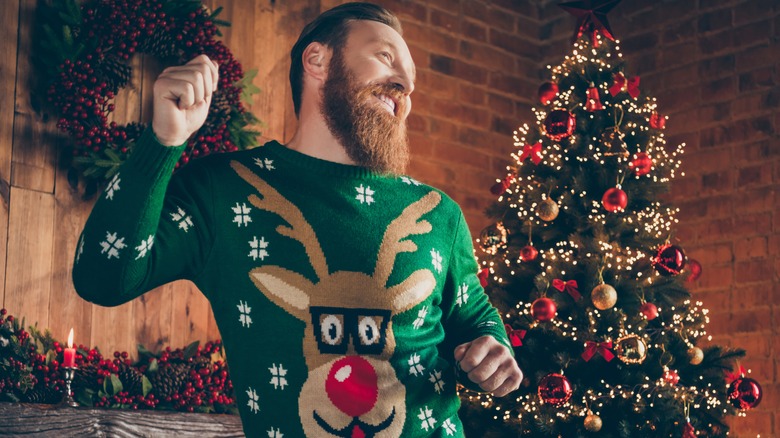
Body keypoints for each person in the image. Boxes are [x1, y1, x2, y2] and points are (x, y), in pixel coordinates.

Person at [72, 3, 522, 437]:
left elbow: (473, 316)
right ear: (317, 59)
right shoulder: (223, 189)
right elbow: (102, 278)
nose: (405, 84)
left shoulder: (437, 211)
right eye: (386, 57)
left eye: (412, 81)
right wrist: (162, 141)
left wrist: (493, 348)